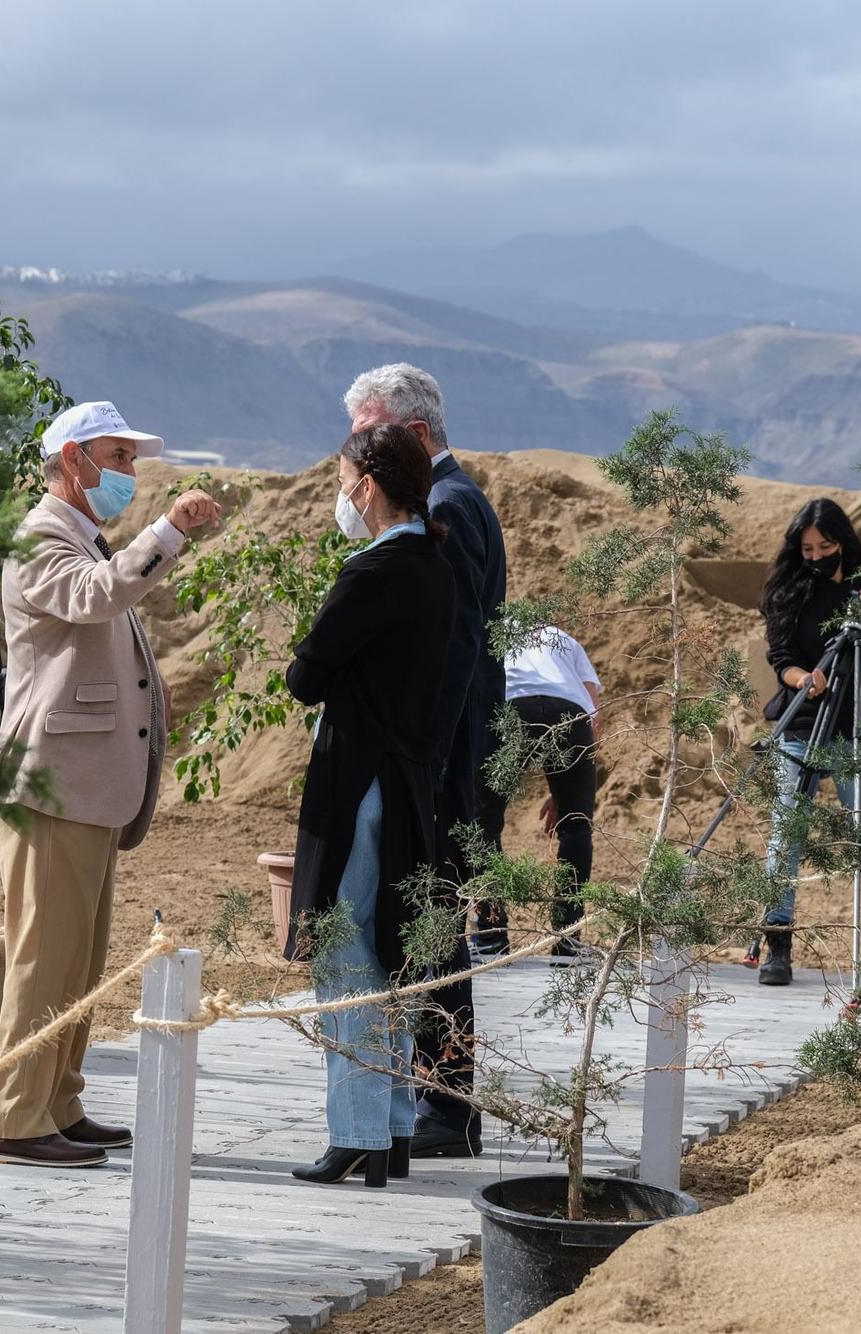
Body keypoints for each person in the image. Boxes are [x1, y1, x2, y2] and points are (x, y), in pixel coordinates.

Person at [0, 400, 221, 1169]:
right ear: (74, 461)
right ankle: (14, 1120)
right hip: (53, 784)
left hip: (84, 786)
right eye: (117, 459)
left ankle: (60, 1101)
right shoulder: (41, 535)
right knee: (45, 955)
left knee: (77, 959)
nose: (128, 474)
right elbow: (96, 596)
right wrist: (170, 532)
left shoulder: (80, 534)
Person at [282, 422, 455, 1188]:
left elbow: (305, 675)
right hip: (408, 778)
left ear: (370, 487)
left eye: (346, 479)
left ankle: (355, 1131)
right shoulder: (438, 565)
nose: (342, 494)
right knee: (386, 954)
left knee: (345, 954)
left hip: (358, 783)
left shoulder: (372, 571)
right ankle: (387, 1129)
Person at [343, 363, 507, 1160]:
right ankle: (437, 1096)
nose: (357, 461)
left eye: (369, 439)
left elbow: (457, 647)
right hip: (439, 753)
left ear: (412, 435)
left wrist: (429, 758)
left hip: (439, 757)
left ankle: (450, 1104)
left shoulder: (449, 506)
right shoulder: (455, 498)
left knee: (434, 924)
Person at [756, 497, 861, 987]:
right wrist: (803, 679)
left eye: (826, 546)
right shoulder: (789, 590)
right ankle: (776, 948)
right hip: (803, 727)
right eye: (808, 548)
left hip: (858, 728)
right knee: (787, 838)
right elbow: (780, 657)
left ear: (843, 542)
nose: (817, 556)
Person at [472, 627, 602, 962]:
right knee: (576, 826)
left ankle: (491, 937)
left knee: (484, 825)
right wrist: (566, 791)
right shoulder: (565, 639)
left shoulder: (491, 630)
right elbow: (592, 704)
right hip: (571, 713)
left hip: (511, 706)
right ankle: (568, 938)